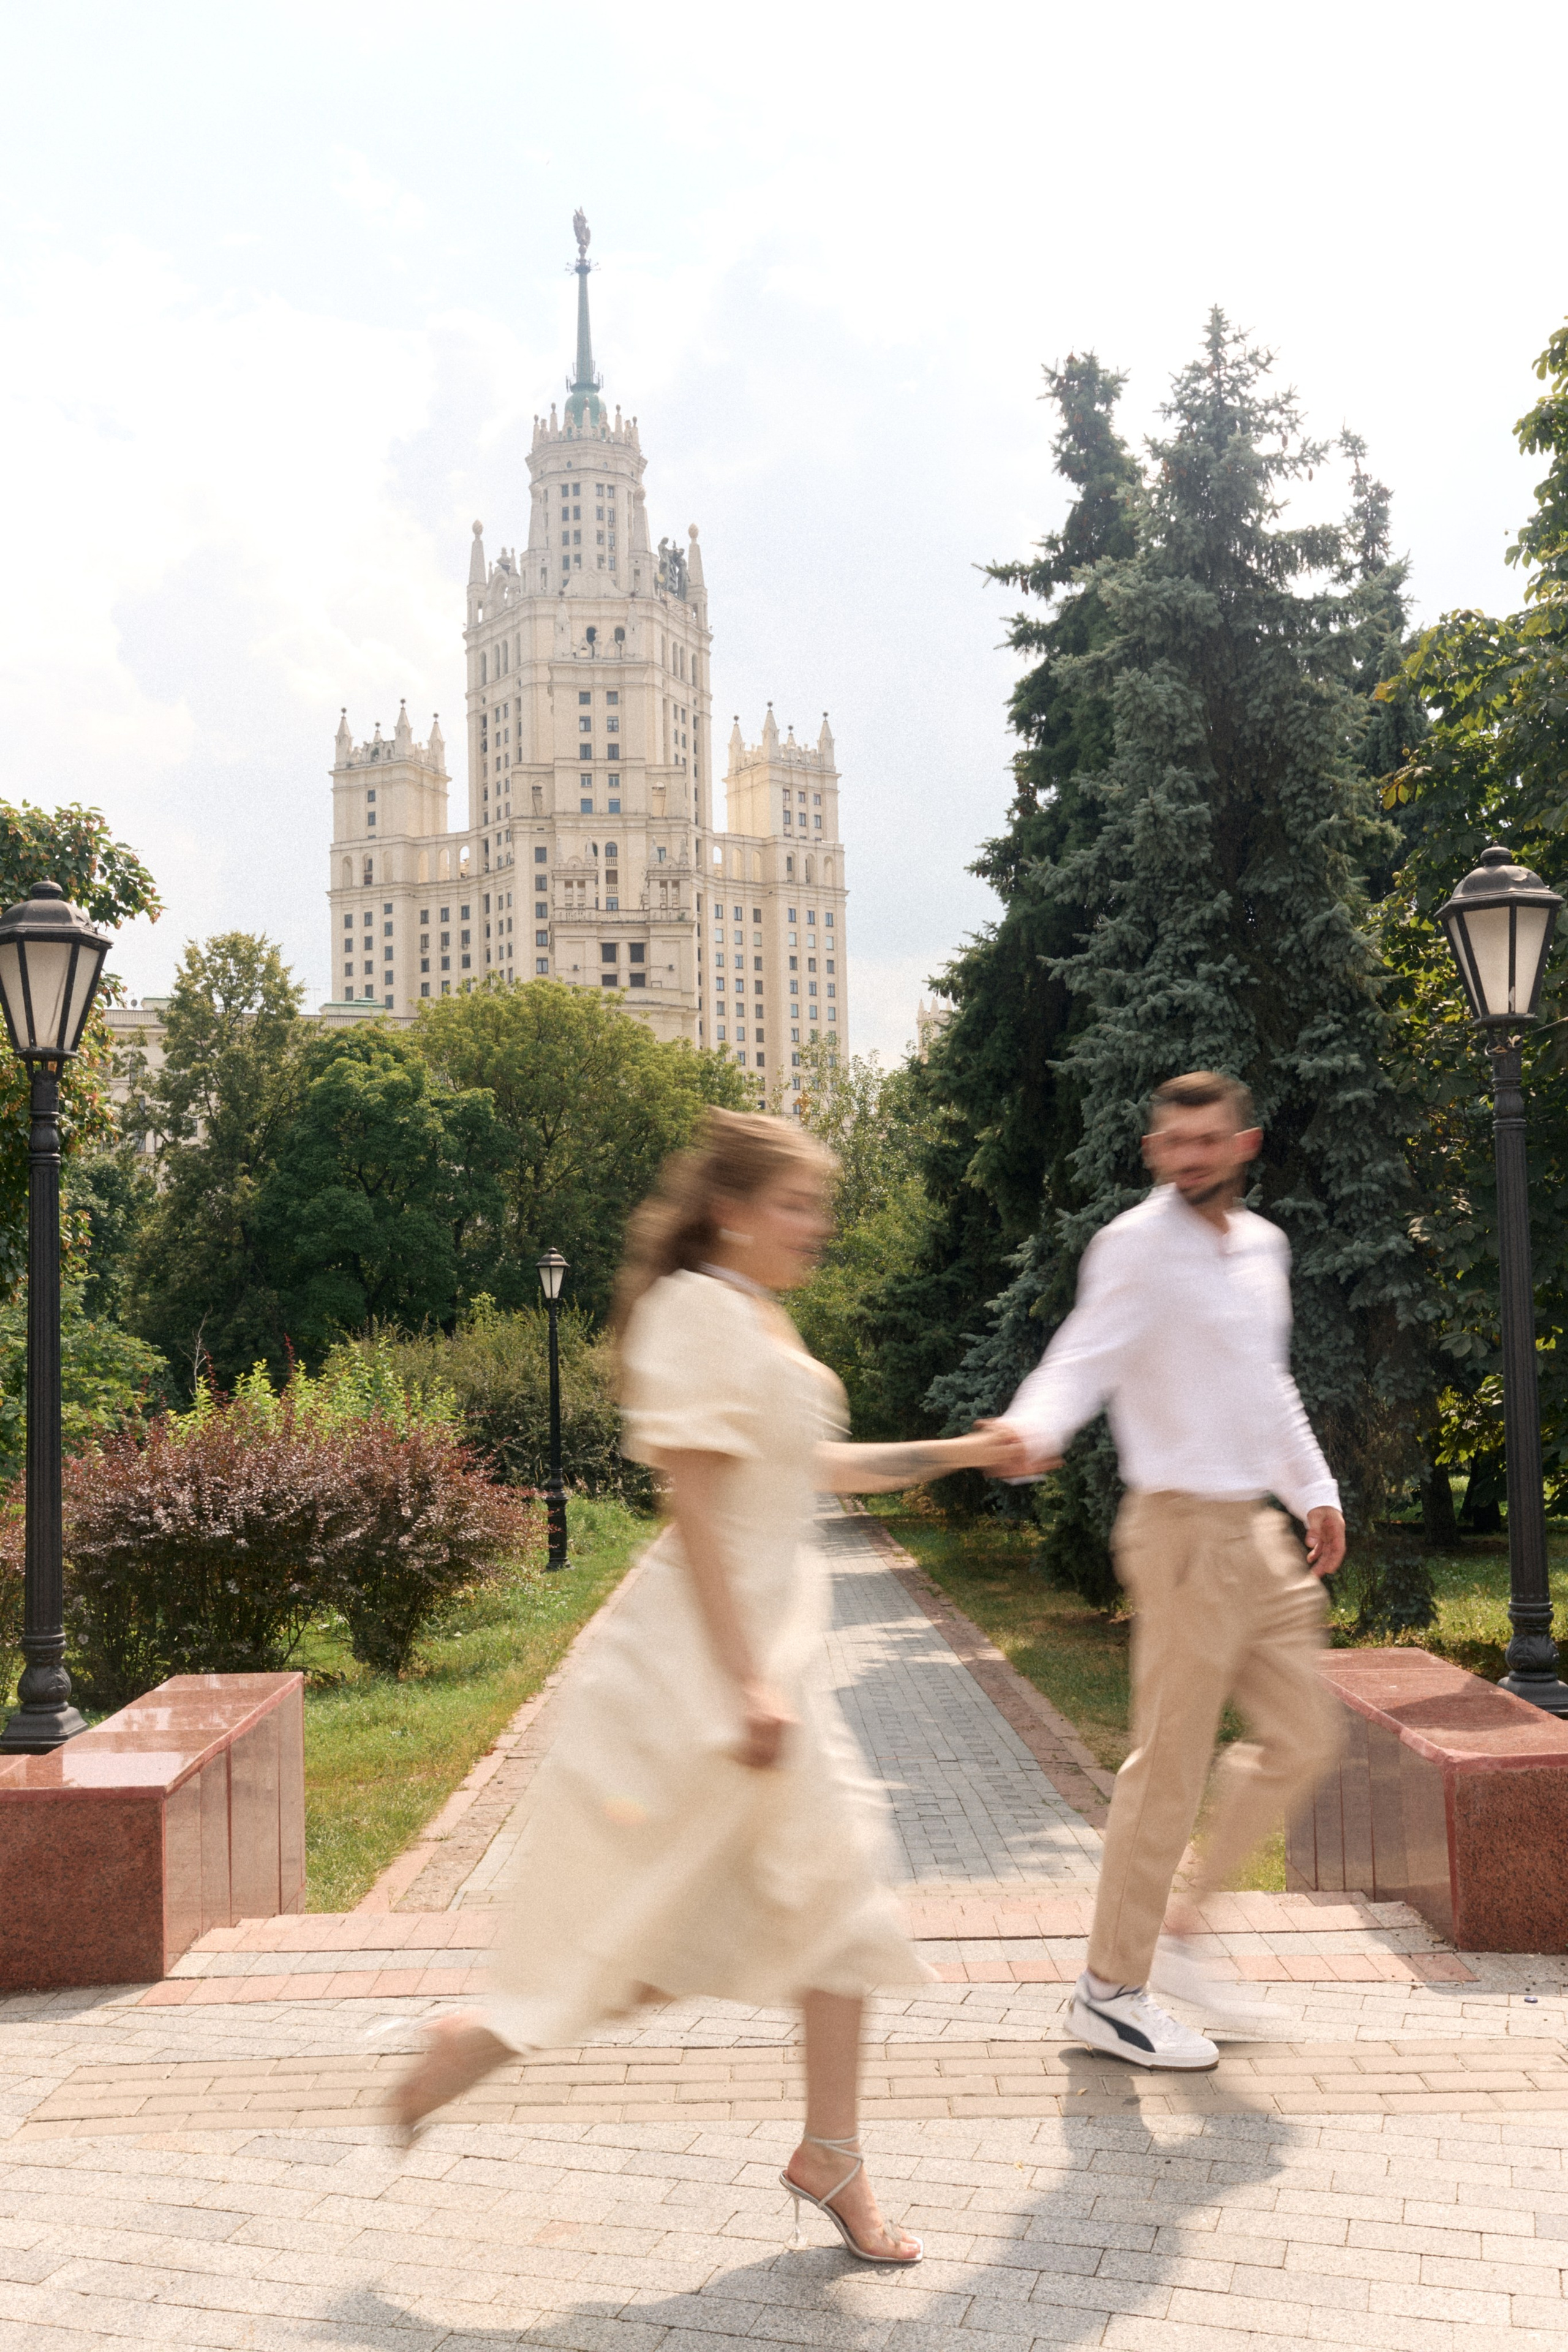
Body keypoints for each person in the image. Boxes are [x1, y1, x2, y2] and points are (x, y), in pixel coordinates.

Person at [390, 1108, 1026, 2260]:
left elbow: (816, 1469)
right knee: (692, 1920)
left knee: (829, 1906)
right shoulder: (692, 1313)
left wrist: (964, 1453)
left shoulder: (761, 1320)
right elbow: (691, 1507)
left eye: (818, 1207)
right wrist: (748, 1683)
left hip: (766, 1661)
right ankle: (486, 2038)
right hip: (701, 1668)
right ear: (730, 1209)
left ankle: (827, 2154)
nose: (816, 1226)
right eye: (796, 1203)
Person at [998, 1071, 1346, 2070]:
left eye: (1207, 1140)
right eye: (1171, 1143)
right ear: (1154, 1151)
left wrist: (1314, 1488)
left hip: (1257, 1529)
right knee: (1170, 1767)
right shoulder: (1134, 1246)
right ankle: (1110, 1991)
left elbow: (1264, 1381)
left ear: (1246, 1143)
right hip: (1180, 1531)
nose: (1188, 1156)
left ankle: (1186, 1934)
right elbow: (1082, 1354)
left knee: (1303, 1737)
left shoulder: (1264, 1248)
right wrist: (1033, 1427)